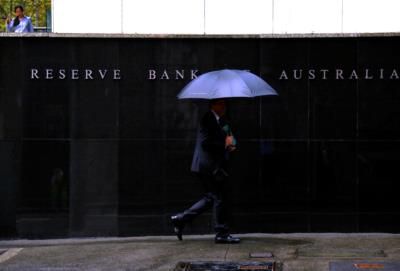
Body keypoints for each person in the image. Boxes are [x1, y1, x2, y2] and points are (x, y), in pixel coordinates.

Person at [170, 99, 240, 244]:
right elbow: (206, 142)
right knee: (220, 197)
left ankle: (181, 219)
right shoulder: (208, 119)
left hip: (213, 165)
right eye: (220, 103)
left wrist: (231, 143)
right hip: (208, 166)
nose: (224, 106)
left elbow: (230, 139)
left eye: (224, 104)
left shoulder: (222, 121)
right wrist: (224, 144)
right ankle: (221, 233)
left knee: (211, 198)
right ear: (213, 105)